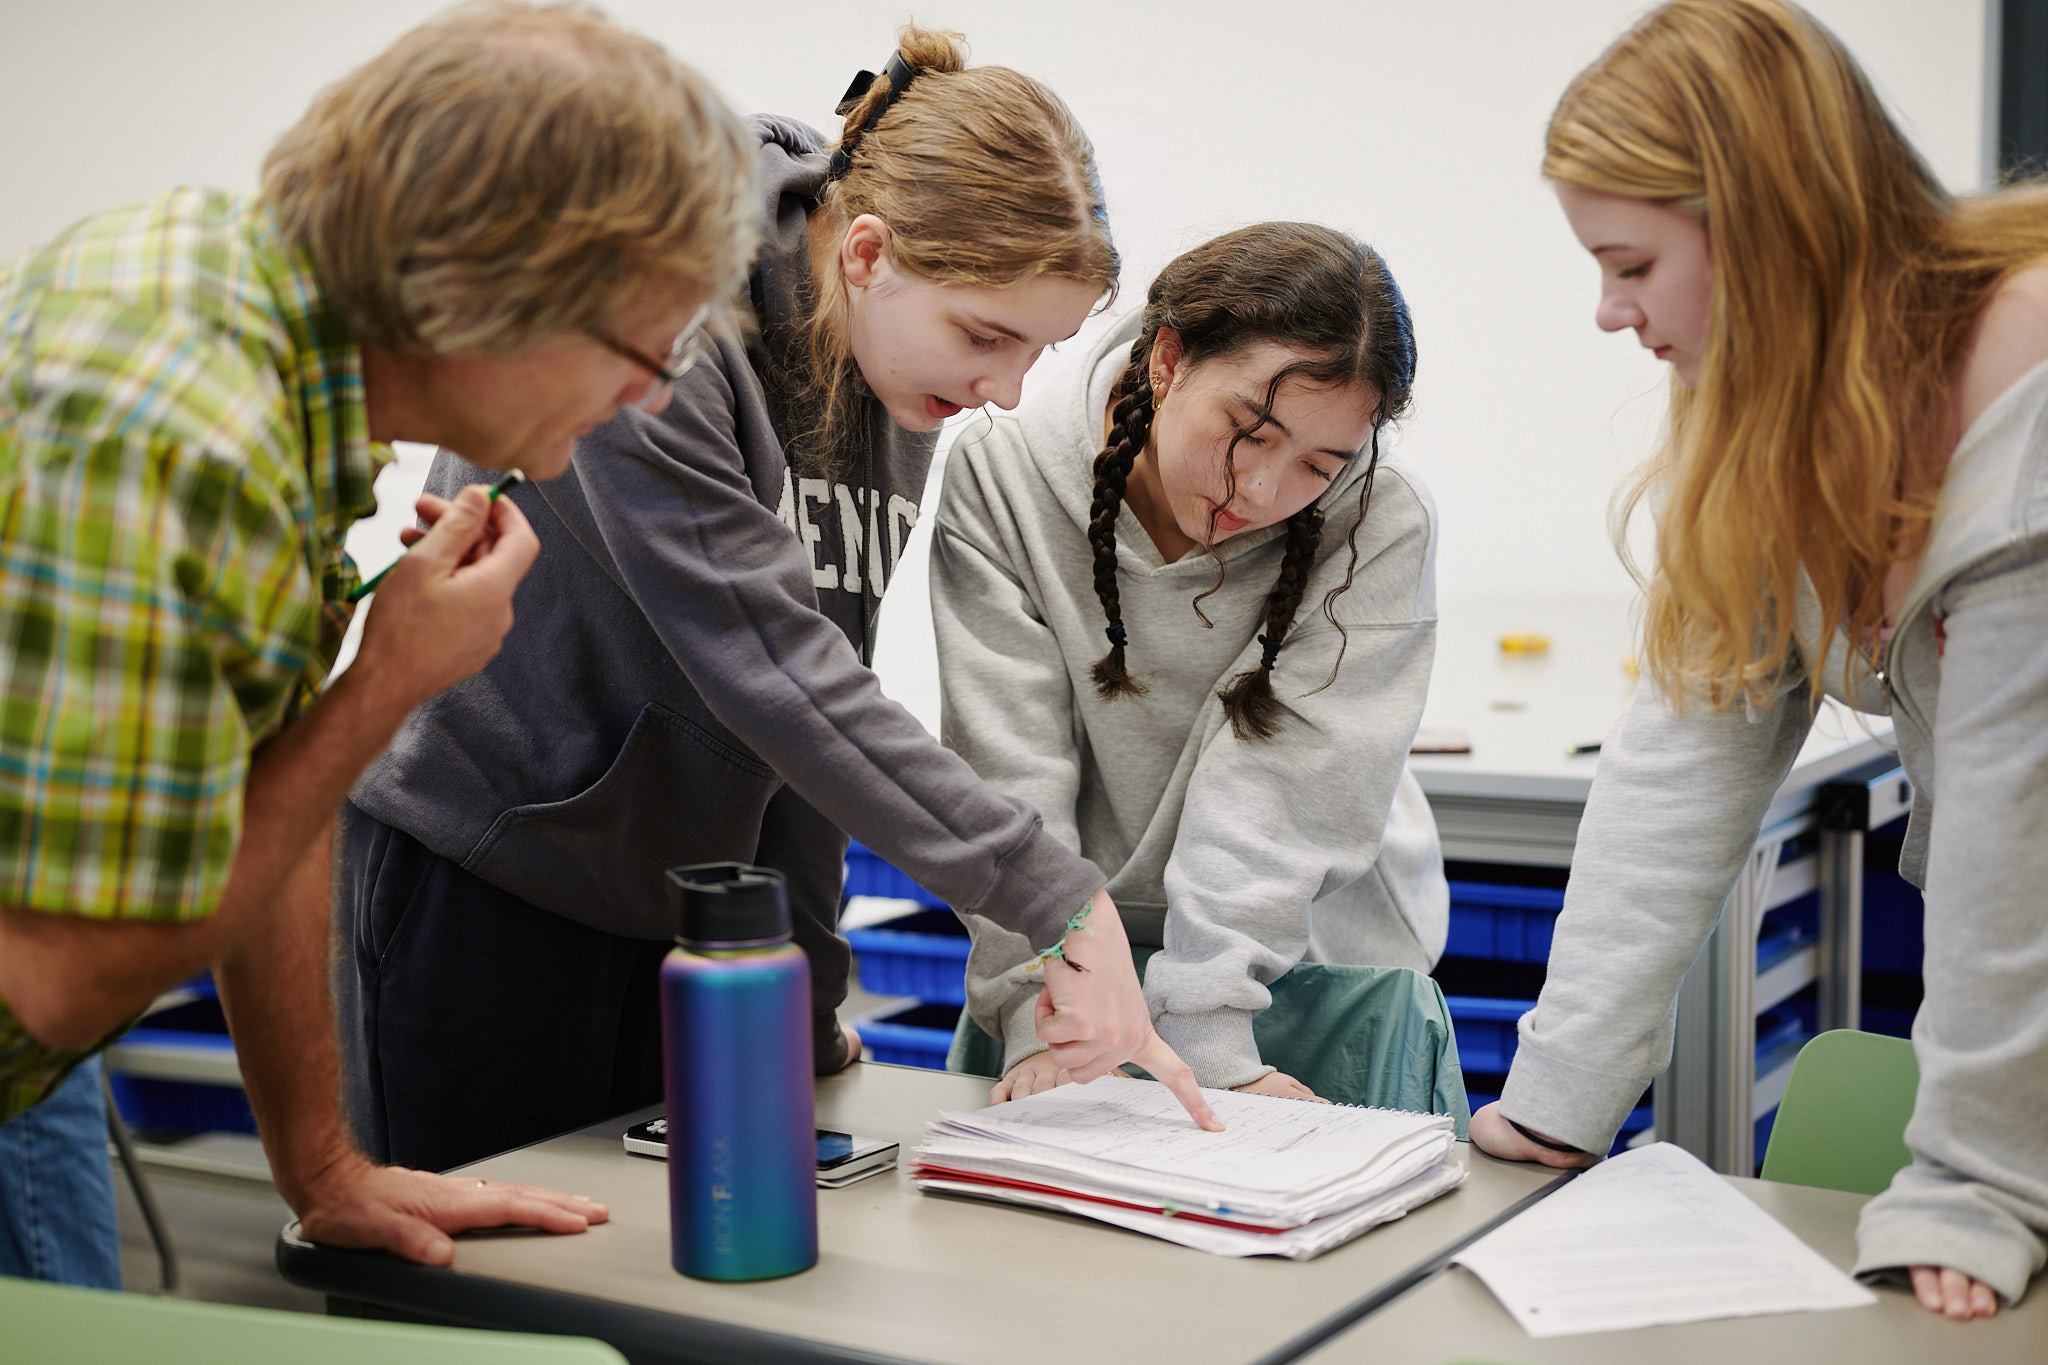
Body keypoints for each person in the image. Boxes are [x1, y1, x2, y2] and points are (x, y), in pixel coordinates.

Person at [338, 24, 1219, 1179]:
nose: (1002, 391)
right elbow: (767, 667)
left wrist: (802, 1000)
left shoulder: (897, 381)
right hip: (492, 876)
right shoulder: (664, 323)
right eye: (985, 336)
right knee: (479, 1312)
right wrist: (1055, 895)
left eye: (1037, 353)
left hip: (679, 922)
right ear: (865, 252)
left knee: (653, 1295)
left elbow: (807, 709)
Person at [0, 1, 760, 1281]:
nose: (654, 397)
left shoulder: (278, 336)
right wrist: (387, 682)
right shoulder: (181, 430)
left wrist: (326, 1169)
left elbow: (256, 796)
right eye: (643, 347)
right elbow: (64, 981)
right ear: (493, 285)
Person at [1464, 0, 2048, 1320]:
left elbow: (2020, 825)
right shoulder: (1767, 432)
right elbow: (1673, 783)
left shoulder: (2025, 360)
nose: (1609, 312)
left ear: (1766, 224)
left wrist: (1974, 1180)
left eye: (1630, 263)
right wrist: (1559, 1101)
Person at [929, 223, 1450, 1105]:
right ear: (1167, 359)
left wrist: (1209, 1026)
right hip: (1063, 971)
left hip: (1310, 967)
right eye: (1249, 430)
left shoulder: (1380, 519)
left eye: (1320, 464)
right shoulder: (1005, 475)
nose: (1262, 490)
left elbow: (1284, 786)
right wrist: (1036, 1009)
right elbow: (1005, 761)